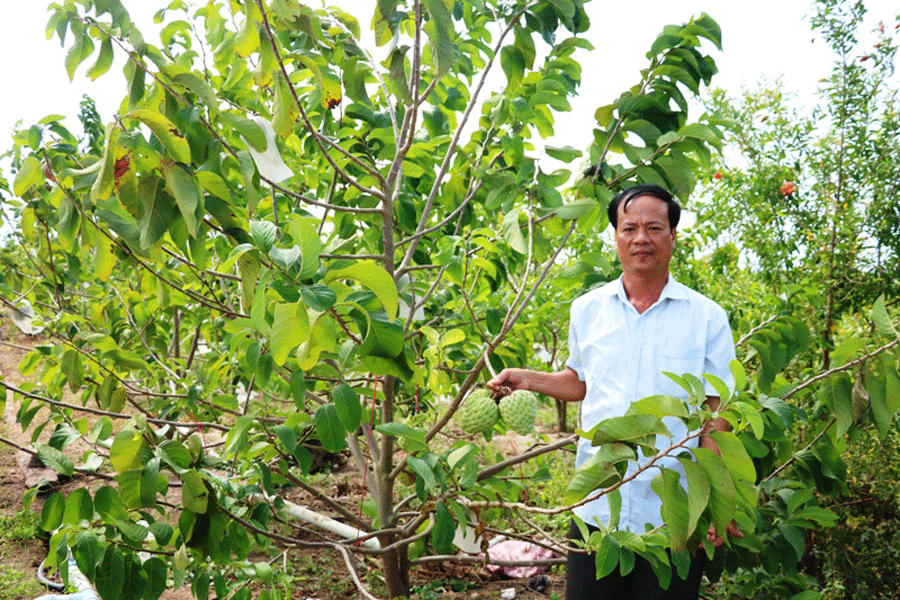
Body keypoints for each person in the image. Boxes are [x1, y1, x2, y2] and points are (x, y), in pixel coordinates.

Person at [487, 184, 740, 600]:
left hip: (673, 510)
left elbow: (718, 404)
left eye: (654, 228)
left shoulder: (706, 317)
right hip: (598, 505)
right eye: (629, 228)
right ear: (616, 237)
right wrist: (527, 378)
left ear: (672, 236)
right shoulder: (587, 309)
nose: (641, 238)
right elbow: (581, 381)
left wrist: (713, 497)